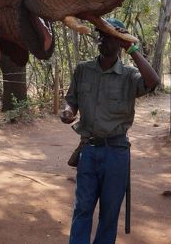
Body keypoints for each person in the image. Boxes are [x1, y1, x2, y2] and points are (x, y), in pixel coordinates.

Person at [61, 17, 159, 244]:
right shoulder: (83, 70)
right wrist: (68, 111)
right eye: (101, 35)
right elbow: (71, 100)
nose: (102, 40)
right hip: (89, 150)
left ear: (120, 43)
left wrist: (131, 47)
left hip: (116, 153)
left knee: (109, 214)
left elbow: (152, 81)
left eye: (108, 37)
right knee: (82, 208)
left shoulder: (129, 75)